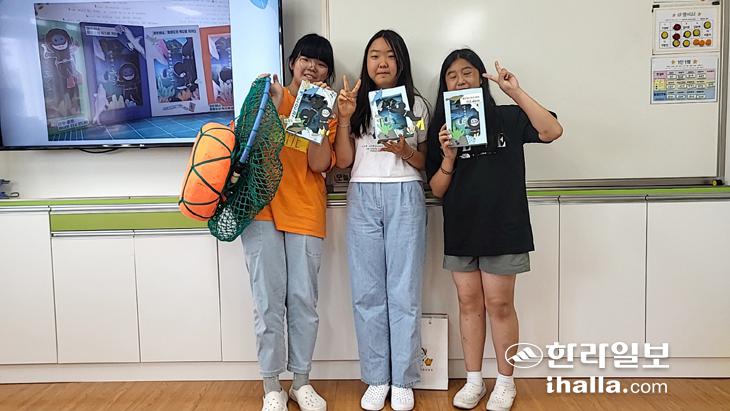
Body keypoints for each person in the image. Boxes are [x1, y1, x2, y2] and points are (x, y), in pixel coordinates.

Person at [425, 49, 563, 411]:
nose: (460, 81)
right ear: (445, 87)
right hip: (461, 228)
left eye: (467, 72)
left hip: (504, 227)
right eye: (452, 76)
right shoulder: (442, 129)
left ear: (481, 78)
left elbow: (552, 130)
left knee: (500, 305)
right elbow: (437, 189)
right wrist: (448, 157)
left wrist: (513, 91)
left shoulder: (507, 117)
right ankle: (474, 380)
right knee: (469, 304)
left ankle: (505, 381)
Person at [240, 33, 337, 411]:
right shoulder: (269, 94)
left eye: (321, 63)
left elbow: (318, 163)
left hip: (306, 211)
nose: (312, 67)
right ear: (293, 62)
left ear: (328, 72)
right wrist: (275, 105)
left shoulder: (324, 107)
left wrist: (315, 111)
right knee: (267, 302)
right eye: (306, 59)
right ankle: (271, 386)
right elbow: (245, 143)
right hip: (261, 209)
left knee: (302, 301)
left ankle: (301, 382)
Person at [334, 29, 429, 411]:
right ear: (366, 62)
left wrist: (405, 150)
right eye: (375, 55)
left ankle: (403, 379)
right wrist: (343, 118)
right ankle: (377, 377)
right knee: (367, 291)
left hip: (405, 192)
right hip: (362, 194)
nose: (382, 62)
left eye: (390, 55)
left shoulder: (417, 106)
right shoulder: (354, 104)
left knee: (404, 290)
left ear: (401, 61)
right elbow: (343, 161)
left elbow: (425, 161)